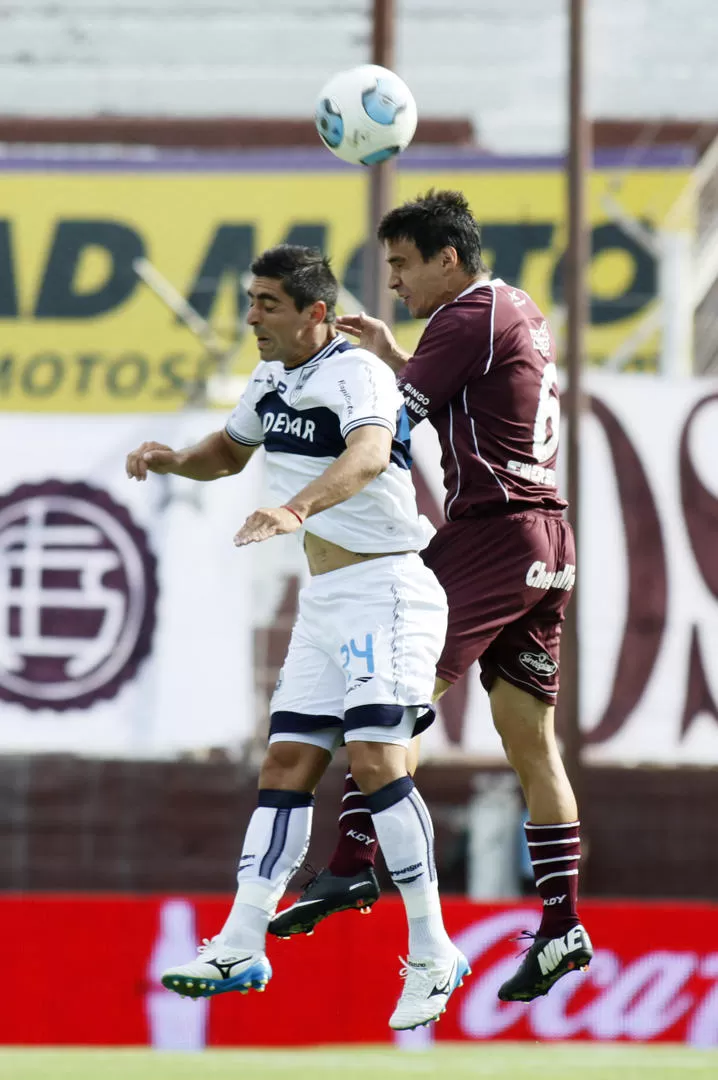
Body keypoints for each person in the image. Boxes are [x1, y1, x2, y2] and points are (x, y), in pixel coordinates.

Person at [125, 244, 469, 1031]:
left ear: (315, 312)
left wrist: (297, 508)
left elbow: (371, 453)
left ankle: (431, 948)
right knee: (285, 761)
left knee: (377, 759)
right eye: (250, 302)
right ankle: (243, 940)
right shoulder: (274, 375)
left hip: (388, 586)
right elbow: (231, 449)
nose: (252, 318)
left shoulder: (356, 374)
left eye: (267, 305)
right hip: (328, 599)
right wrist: (175, 459)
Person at [268, 192, 593, 1004]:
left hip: (492, 533)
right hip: (549, 542)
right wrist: (399, 354)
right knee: (531, 740)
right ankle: (562, 924)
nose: (396, 284)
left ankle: (350, 864)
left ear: (448, 259)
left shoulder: (464, 318)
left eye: (404, 266)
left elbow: (386, 431)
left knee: (393, 706)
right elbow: (455, 382)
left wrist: (304, 480)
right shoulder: (512, 305)